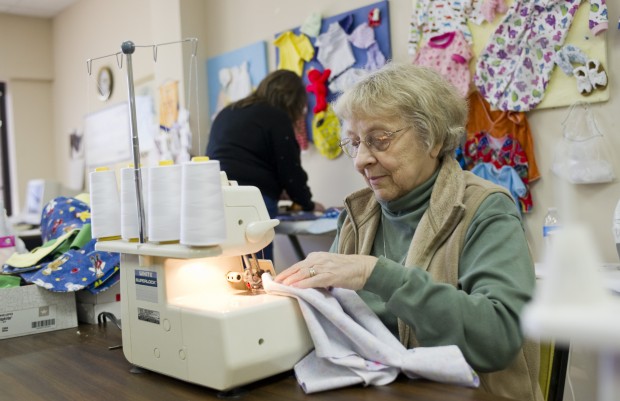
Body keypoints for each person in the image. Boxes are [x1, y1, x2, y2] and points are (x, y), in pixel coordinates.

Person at [275, 63, 542, 401]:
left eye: (379, 140)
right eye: (354, 143)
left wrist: (375, 273)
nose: (360, 160)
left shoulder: (486, 209)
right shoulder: (358, 215)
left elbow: (497, 338)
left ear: (432, 138)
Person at [206, 69, 325, 261]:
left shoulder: (228, 111)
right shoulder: (276, 116)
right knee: (258, 268)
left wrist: (277, 188)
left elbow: (233, 158)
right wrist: (308, 204)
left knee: (225, 265)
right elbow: (290, 170)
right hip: (251, 199)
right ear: (292, 100)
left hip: (215, 194)